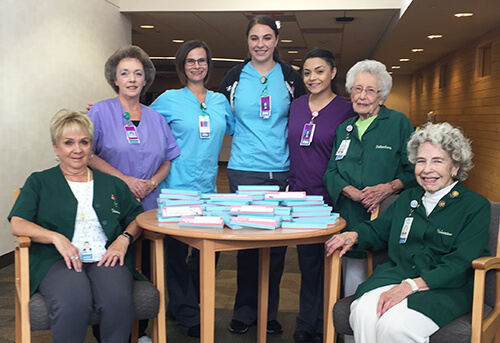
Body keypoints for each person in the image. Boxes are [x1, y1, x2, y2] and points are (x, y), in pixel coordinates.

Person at [325, 122, 490, 343]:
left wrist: (411, 286)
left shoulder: (475, 206)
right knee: (363, 313)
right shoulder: (408, 198)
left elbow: (459, 263)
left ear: (455, 167)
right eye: (421, 161)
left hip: (445, 289)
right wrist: (353, 235)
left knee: (395, 327)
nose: (426, 169)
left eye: (437, 161)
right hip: (395, 276)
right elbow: (377, 229)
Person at [8, 110, 145, 343]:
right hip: (57, 259)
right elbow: (18, 223)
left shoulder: (111, 183)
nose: (77, 149)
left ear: (92, 145)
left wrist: (124, 237)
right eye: (68, 143)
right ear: (56, 147)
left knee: (118, 302)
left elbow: (137, 218)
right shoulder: (39, 181)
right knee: (73, 302)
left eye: (84, 142)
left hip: (106, 257)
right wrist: (55, 237)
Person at [218, 15, 307, 335]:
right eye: (254, 38)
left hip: (281, 171)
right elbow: (218, 115)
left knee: (277, 247)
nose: (260, 44)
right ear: (247, 41)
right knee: (247, 244)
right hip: (244, 169)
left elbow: (306, 113)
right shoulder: (234, 77)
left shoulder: (290, 77)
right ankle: (244, 310)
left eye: (267, 38)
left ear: (276, 41)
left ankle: (268, 312)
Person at [87, 45, 180, 342]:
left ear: (145, 80)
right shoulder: (100, 111)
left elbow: (167, 158)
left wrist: (151, 182)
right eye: (124, 73)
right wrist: (125, 179)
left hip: (149, 205)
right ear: (115, 79)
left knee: (150, 270)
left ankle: (141, 334)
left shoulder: (156, 118)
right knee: (111, 269)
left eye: (138, 73)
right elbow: (87, 154)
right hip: (109, 204)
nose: (131, 79)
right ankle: (106, 335)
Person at [149, 40, 234, 338]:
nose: (196, 66)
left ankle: (182, 303)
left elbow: (238, 128)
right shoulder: (169, 99)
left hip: (209, 190)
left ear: (208, 65)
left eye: (201, 60)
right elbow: (140, 118)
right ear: (182, 66)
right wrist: (106, 110)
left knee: (208, 254)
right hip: (176, 189)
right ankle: (188, 314)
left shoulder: (220, 101)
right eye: (190, 61)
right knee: (175, 253)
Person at [323, 59, 417, 297]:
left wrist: (387, 188)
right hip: (347, 215)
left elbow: (414, 171)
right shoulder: (344, 128)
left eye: (370, 90)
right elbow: (331, 172)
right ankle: (350, 330)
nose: (362, 96)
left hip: (386, 216)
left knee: (382, 280)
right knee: (348, 278)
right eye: (357, 88)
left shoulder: (398, 123)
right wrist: (350, 191)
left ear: (381, 97)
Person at [288, 48, 355, 343]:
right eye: (306, 72)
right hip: (302, 197)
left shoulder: (347, 108)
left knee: (333, 264)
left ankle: (331, 325)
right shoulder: (297, 105)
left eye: (319, 71)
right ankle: (306, 323)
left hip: (333, 197)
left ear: (333, 73)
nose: (312, 77)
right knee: (308, 264)